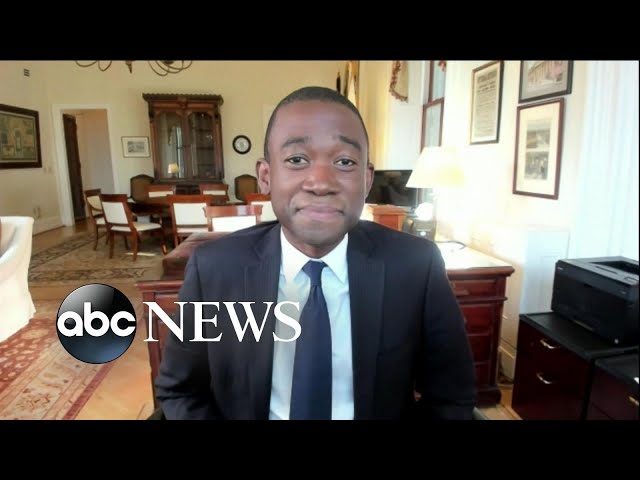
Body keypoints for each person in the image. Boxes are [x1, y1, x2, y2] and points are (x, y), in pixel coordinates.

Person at [153, 86, 476, 419]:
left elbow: (451, 398)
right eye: (297, 160)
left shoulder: (415, 266)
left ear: (367, 180)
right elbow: (180, 391)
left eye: (344, 162)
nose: (321, 183)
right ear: (266, 176)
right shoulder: (215, 269)